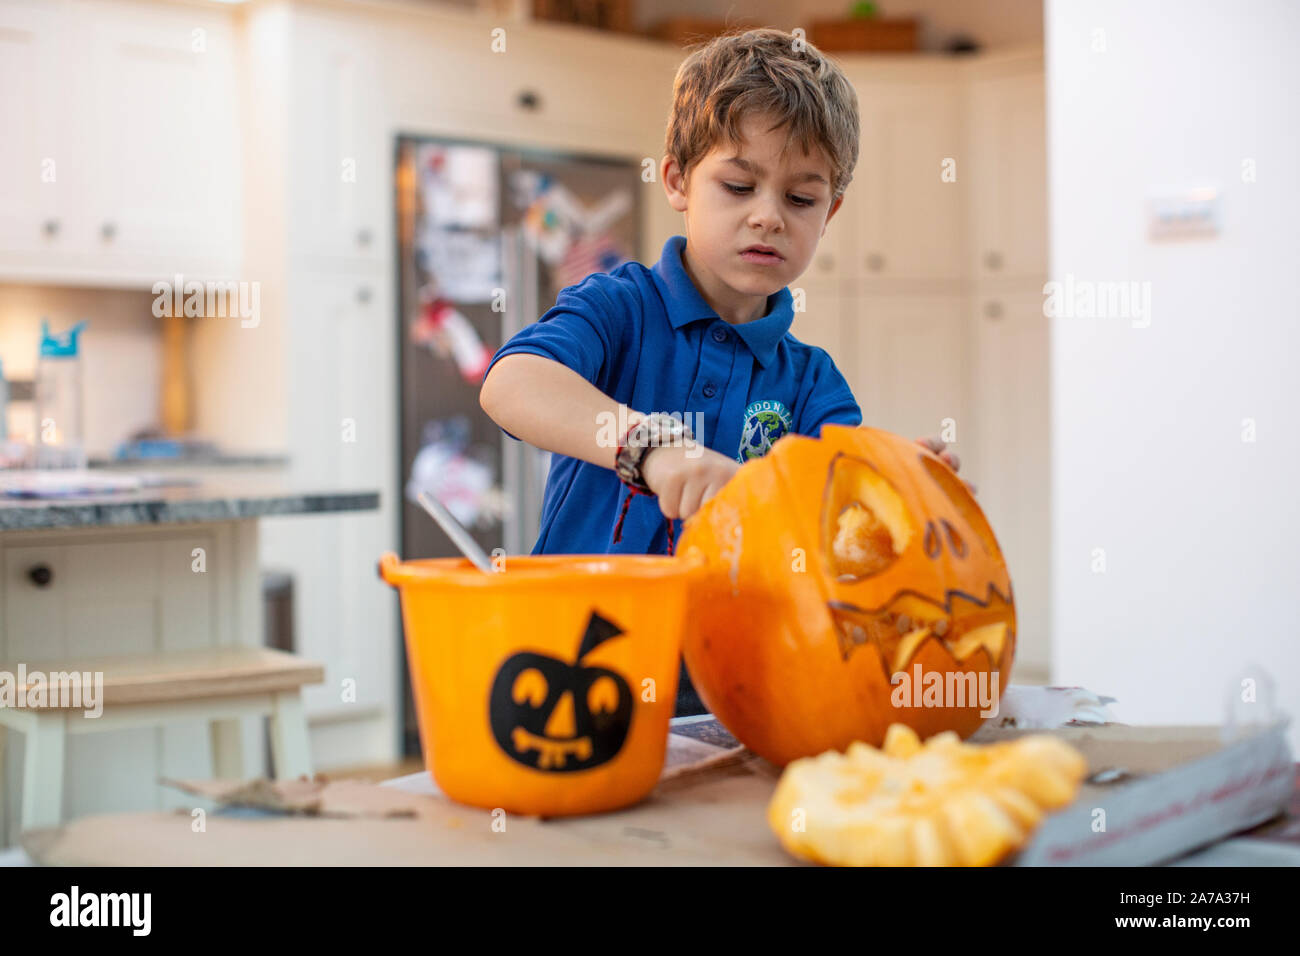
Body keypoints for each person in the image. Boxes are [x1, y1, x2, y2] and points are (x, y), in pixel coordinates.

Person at [480, 29, 967, 710]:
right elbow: (512, 383)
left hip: (736, 696)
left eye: (801, 200)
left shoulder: (809, 381)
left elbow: (833, 515)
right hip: (575, 670)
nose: (768, 217)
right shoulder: (619, 309)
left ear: (829, 212)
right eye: (739, 185)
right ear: (678, 180)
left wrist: (898, 482)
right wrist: (650, 447)